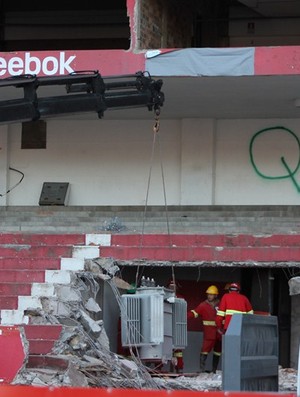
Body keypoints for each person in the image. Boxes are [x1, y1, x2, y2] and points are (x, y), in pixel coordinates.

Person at [187, 285, 221, 373]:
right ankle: (202, 370)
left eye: (212, 294)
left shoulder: (221, 304)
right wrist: (183, 316)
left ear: (216, 295)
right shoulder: (203, 305)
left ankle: (214, 370)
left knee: (218, 352)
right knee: (204, 351)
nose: (209, 296)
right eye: (208, 294)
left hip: (219, 333)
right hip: (209, 333)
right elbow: (195, 313)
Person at [168, 279, 184, 373]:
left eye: (174, 286)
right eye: (170, 286)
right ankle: (158, 369)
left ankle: (179, 368)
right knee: (164, 348)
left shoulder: (180, 298)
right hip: (166, 326)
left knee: (178, 350)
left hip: (177, 326)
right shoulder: (164, 297)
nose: (172, 288)